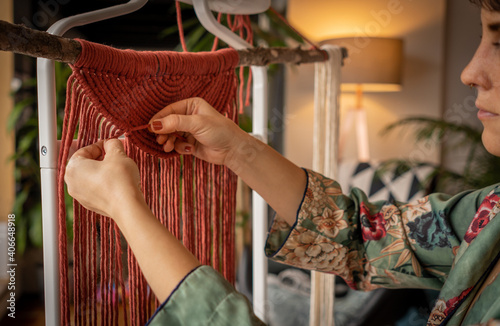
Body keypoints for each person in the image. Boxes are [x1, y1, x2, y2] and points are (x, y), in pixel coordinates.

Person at [64, 0, 500, 324]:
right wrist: (238, 148)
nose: (470, 71)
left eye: (499, 40)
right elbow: (365, 238)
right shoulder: (490, 212)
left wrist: (126, 208)